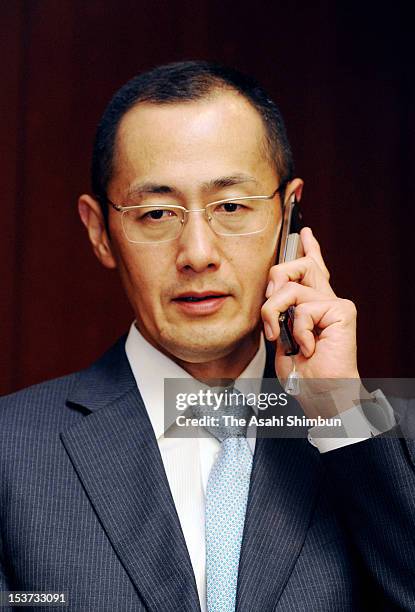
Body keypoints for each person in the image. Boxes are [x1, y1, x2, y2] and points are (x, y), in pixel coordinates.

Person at [1, 61, 414, 611]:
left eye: (231, 207)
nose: (197, 252)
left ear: (288, 216)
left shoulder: (374, 439)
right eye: (156, 213)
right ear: (100, 232)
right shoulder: (12, 450)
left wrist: (337, 409)